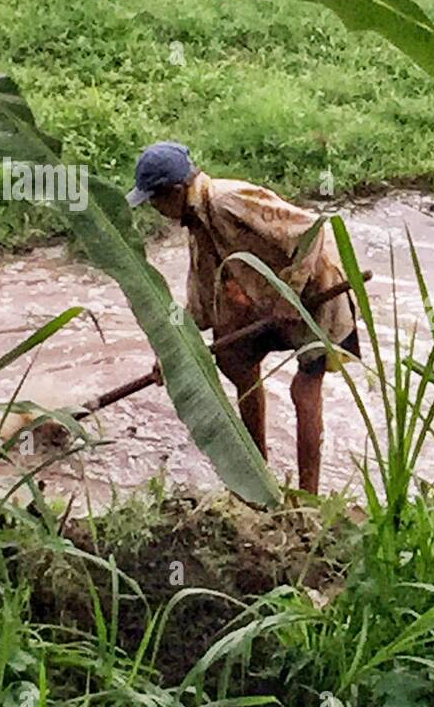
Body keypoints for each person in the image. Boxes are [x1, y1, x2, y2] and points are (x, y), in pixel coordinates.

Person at [126, 141, 358, 494]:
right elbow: (200, 303)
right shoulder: (197, 227)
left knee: (303, 390)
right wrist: (172, 353)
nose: (156, 211)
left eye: (155, 201)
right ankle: (258, 476)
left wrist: (289, 292)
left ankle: (309, 496)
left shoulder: (228, 200)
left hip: (315, 292)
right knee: (234, 359)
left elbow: (314, 231)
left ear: (175, 192)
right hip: (267, 301)